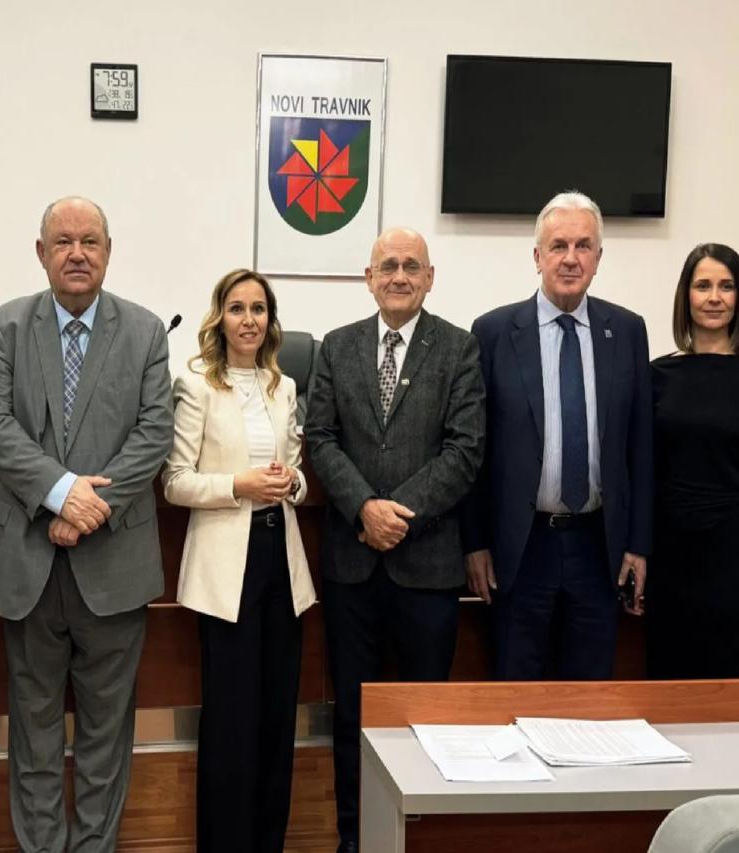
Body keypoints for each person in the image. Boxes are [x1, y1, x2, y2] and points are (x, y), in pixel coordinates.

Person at [0, 196, 173, 853]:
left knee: (105, 733)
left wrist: (90, 511)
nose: (78, 253)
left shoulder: (145, 332)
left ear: (109, 252)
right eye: (63, 242)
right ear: (41, 253)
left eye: (90, 241)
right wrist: (62, 495)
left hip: (113, 563)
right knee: (32, 730)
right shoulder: (4, 327)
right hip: (27, 562)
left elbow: (154, 434)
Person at [305, 227, 484, 853]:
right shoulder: (336, 347)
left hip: (428, 567)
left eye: (412, 266)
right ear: (369, 277)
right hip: (352, 568)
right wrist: (363, 507)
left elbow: (465, 450)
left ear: (430, 278)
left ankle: (417, 841)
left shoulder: (459, 349)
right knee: (352, 718)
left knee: (424, 721)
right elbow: (319, 437)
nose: (399, 276)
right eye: (388, 266)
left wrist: (396, 513)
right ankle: (354, 840)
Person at [461, 190, 653, 681]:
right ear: (537, 256)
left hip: (598, 547)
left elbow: (640, 448)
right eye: (559, 246)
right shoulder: (493, 333)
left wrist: (637, 544)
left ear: (598, 258)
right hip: (521, 549)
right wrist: (475, 543)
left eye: (583, 246)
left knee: (588, 696)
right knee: (516, 690)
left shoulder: (627, 331)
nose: (571, 258)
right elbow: (475, 452)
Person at [162, 269, 315, 852]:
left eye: (258, 309)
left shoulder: (284, 385)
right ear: (219, 318)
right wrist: (238, 485)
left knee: (277, 717)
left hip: (280, 559)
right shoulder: (196, 384)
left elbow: (297, 471)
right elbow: (175, 481)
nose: (248, 319)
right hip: (228, 568)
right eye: (236, 308)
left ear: (270, 321)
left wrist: (291, 483)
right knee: (231, 720)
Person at [647, 243, 739, 679]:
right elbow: (642, 474)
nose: (714, 297)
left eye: (726, 286)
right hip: (669, 556)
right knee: (668, 687)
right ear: (686, 296)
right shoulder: (656, 377)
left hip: (736, 559)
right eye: (703, 286)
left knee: (726, 690)